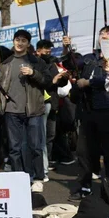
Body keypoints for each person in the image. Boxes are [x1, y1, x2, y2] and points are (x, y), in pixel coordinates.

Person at [0, 30, 50, 193]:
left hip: (33, 109)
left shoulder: (36, 61)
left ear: (28, 43)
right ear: (13, 42)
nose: (19, 43)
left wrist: (33, 73)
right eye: (17, 40)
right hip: (11, 110)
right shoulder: (6, 63)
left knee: (35, 146)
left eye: (23, 40)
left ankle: (38, 177)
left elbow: (47, 82)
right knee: (15, 147)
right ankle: (18, 176)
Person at [71, 25, 109, 200]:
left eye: (108, 33)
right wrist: (68, 49)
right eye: (101, 33)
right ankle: (84, 187)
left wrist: (88, 83)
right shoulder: (90, 57)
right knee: (84, 152)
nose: (104, 35)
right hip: (88, 110)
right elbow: (72, 63)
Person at [35, 39, 71, 172]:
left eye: (49, 48)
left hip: (53, 103)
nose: (48, 51)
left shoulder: (52, 63)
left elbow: (59, 84)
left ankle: (47, 160)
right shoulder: (34, 63)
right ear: (38, 50)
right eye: (45, 49)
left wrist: (64, 78)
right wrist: (53, 80)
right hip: (40, 102)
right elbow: (42, 81)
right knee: (40, 135)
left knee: (50, 134)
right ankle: (40, 163)